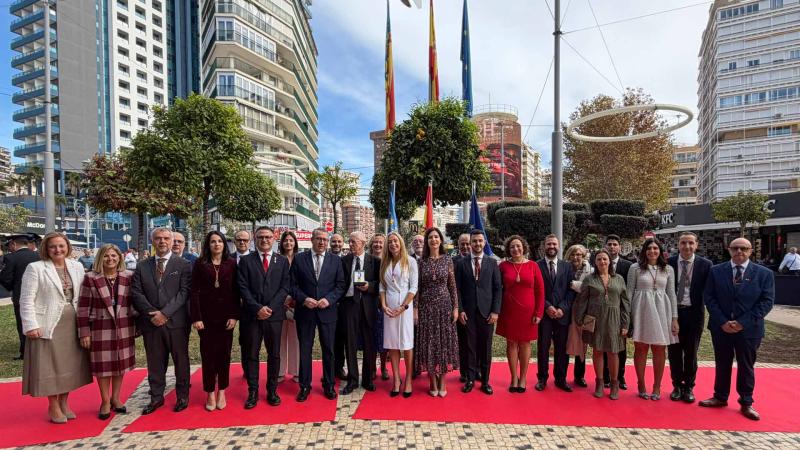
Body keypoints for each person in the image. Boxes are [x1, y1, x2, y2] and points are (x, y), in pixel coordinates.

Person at [19, 232, 91, 423]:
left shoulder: (77, 266)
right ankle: (53, 405)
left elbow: (83, 295)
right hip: (47, 324)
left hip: (73, 322)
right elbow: (26, 299)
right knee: (50, 366)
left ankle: (65, 402)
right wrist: (30, 325)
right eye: (53, 246)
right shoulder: (35, 268)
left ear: (67, 247)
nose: (58, 250)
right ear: (46, 248)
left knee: (69, 364)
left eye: (61, 246)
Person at [700, 238, 774, 421]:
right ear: (729, 250)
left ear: (750, 251)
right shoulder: (716, 271)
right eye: (735, 248)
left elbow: (766, 302)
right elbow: (709, 297)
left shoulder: (764, 274)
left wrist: (743, 322)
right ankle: (720, 397)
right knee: (722, 363)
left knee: (746, 366)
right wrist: (723, 321)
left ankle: (746, 402)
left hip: (749, 330)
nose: (739, 251)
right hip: (721, 327)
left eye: (744, 248)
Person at [131, 227, 192, 415]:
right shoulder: (142, 266)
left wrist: (165, 313)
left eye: (166, 238)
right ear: (153, 241)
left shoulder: (183, 265)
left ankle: (182, 396)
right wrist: (152, 313)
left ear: (172, 240)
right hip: (151, 323)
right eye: (158, 238)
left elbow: (184, 293)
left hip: (176, 323)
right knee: (155, 362)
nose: (162, 241)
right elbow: (136, 293)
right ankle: (156, 397)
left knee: (181, 361)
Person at [77, 244, 136, 420]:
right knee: (103, 367)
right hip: (100, 328)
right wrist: (84, 332)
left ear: (120, 258)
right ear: (100, 258)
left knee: (120, 365)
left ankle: (116, 398)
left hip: (124, 325)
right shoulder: (90, 278)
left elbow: (134, 302)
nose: (110, 259)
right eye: (106, 256)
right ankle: (104, 400)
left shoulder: (128, 276)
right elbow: (83, 307)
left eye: (114, 256)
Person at [238, 226, 290, 408]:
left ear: (274, 239)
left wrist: (270, 308)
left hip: (274, 316)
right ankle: (252, 391)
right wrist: (257, 308)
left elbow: (285, 287)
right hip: (252, 317)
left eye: (268, 237)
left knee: (274, 355)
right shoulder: (245, 261)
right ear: (255, 238)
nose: (264, 240)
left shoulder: (282, 261)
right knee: (251, 354)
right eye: (261, 237)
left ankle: (272, 390)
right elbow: (242, 287)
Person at [290, 228, 345, 402]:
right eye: (318, 239)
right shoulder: (299, 259)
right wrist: (304, 299)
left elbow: (341, 285)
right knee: (305, 350)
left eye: (324, 239)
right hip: (305, 312)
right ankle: (304, 386)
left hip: (327, 312)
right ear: (312, 240)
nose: (321, 242)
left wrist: (329, 300)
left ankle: (329, 385)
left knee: (328, 350)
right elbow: (292, 284)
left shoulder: (335, 261)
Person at [190, 231, 241, 411]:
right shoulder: (200, 264)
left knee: (224, 356)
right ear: (208, 245)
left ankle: (222, 391)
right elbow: (194, 292)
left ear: (224, 245)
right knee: (208, 357)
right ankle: (210, 392)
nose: (217, 244)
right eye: (213, 241)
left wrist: (235, 315)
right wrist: (196, 317)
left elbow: (236, 291)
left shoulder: (232, 264)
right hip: (206, 319)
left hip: (226, 318)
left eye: (219, 241)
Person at [573, 249, 630, 399]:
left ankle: (614, 383)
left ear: (609, 261)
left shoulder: (619, 279)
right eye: (599, 259)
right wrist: (579, 319)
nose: (602, 262)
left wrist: (625, 324)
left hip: (614, 320)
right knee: (597, 351)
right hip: (595, 319)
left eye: (605, 259)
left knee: (613, 352)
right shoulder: (590, 279)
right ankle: (599, 383)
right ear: (595, 262)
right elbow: (582, 301)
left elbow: (625, 303)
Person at [627, 238, 678, 401]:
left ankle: (657, 386)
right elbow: (629, 293)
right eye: (649, 248)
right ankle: (641, 383)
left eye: (655, 248)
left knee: (659, 349)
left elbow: (672, 294)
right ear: (644, 251)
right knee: (641, 347)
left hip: (662, 310)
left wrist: (674, 318)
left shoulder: (668, 269)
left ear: (660, 251)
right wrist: (627, 316)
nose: (652, 251)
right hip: (641, 309)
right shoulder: (635, 268)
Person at [454, 230, 502, 395]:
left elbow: (497, 289)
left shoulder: (492, 263)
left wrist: (495, 311)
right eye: (474, 241)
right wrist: (459, 310)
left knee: (485, 347)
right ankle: (470, 379)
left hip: (487, 313)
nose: (477, 244)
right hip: (467, 313)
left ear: (484, 243)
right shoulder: (461, 263)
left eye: (480, 241)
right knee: (469, 347)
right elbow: (457, 290)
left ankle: (485, 381)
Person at [667, 232, 712, 403]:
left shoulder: (706, 265)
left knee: (691, 353)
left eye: (690, 243)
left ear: (696, 245)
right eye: (683, 243)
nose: (687, 246)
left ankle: (689, 387)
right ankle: (677, 385)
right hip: (673, 313)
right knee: (674, 352)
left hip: (694, 313)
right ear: (678, 245)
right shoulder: (669, 263)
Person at [496, 235, 544, 393]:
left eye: (518, 246)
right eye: (512, 247)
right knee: (511, 343)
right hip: (509, 310)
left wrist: (539, 312)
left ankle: (523, 378)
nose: (515, 249)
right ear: (508, 250)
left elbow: (540, 290)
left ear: (523, 247)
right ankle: (513, 377)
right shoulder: (503, 266)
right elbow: (497, 288)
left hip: (528, 312)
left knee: (525, 343)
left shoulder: (533, 266)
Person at [415, 227, 459, 398]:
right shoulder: (421, 262)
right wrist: (416, 309)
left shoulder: (448, 259)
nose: (433, 240)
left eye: (436, 237)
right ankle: (432, 381)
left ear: (441, 240)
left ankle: (443, 381)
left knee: (444, 344)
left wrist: (455, 308)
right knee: (429, 344)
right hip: (426, 308)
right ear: (427, 242)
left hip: (444, 307)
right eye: (430, 237)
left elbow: (452, 286)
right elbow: (417, 288)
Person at [339, 232, 381, 394]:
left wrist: (368, 287)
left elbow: (381, 285)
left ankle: (368, 379)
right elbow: (340, 283)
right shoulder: (345, 261)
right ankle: (353, 380)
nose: (350, 244)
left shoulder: (375, 261)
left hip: (368, 306)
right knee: (350, 344)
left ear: (363, 243)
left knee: (369, 343)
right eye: (349, 242)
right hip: (349, 305)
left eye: (353, 241)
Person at [379, 232, 418, 397]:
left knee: (407, 345)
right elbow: (382, 287)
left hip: (405, 308)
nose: (393, 244)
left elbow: (413, 287)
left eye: (395, 241)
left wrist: (403, 306)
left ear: (401, 242)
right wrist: (383, 305)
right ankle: (396, 379)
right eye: (390, 242)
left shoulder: (410, 261)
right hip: (389, 308)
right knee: (393, 345)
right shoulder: (385, 262)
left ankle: (408, 379)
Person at [536, 234, 575, 392]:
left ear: (559, 247)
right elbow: (536, 291)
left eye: (554, 244)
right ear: (543, 246)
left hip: (562, 315)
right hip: (544, 315)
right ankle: (542, 379)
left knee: (561, 349)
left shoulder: (567, 266)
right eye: (548, 244)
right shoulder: (536, 266)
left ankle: (561, 379)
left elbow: (571, 291)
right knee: (543, 348)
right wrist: (547, 307)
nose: (551, 247)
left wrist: (562, 309)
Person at [0, 233, 41, 360]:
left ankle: (25, 352)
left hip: (20, 296)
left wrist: (13, 288)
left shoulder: (11, 258)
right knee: (39, 322)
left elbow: (5, 278)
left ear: (14, 244)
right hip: (39, 296)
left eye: (10, 245)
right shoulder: (38, 256)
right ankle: (40, 351)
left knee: (23, 324)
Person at [602, 234, 632, 390]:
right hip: (604, 312)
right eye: (609, 244)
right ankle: (605, 377)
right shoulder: (600, 263)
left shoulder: (628, 266)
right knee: (605, 344)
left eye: (615, 244)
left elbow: (628, 292)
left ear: (620, 247)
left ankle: (620, 376)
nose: (612, 247)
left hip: (620, 312)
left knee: (621, 346)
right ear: (605, 247)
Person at [565, 244, 592, 388]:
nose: (576, 257)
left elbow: (590, 289)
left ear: (583, 256)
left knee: (583, 344)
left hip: (584, 311)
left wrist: (575, 284)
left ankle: (579, 376)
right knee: (565, 342)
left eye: (579, 255)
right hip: (566, 310)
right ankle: (561, 375)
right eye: (573, 254)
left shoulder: (591, 271)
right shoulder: (564, 269)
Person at [277, 231, 300, 384]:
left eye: (291, 240)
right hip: (279, 303)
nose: (288, 243)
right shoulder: (276, 259)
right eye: (286, 241)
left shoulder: (301, 259)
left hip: (297, 302)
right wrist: (282, 300)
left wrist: (294, 299)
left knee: (295, 339)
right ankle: (279, 371)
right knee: (279, 338)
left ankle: (296, 371)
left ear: (295, 243)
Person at [368, 233, 390, 381]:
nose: (377, 245)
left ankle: (383, 367)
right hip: (369, 303)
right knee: (371, 338)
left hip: (387, 304)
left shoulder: (389, 261)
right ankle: (371, 368)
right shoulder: (366, 261)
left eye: (380, 243)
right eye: (375, 243)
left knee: (384, 338)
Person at [452, 233, 471, 382]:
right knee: (463, 341)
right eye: (462, 244)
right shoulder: (453, 261)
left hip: (477, 306)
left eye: (467, 243)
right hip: (459, 306)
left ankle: (476, 370)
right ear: (458, 245)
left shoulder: (480, 260)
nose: (465, 246)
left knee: (477, 342)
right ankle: (464, 372)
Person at [233, 230, 252, 377]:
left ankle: (247, 369)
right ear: (234, 242)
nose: (242, 242)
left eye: (245, 240)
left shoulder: (255, 259)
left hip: (249, 306)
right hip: (229, 306)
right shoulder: (227, 259)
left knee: (246, 339)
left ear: (250, 241)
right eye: (239, 240)